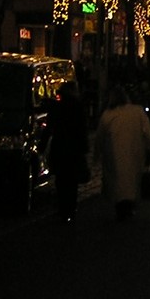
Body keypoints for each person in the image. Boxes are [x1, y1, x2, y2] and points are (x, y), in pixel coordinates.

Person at [94, 85, 150, 221]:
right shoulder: (137, 112)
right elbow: (148, 134)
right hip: (135, 152)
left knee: (118, 181)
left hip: (114, 153)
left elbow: (99, 137)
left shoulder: (108, 115)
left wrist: (97, 154)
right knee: (132, 180)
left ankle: (121, 206)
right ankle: (129, 205)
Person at [46, 80, 89, 221]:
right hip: (74, 147)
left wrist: (43, 144)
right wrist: (84, 147)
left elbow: (49, 127)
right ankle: (71, 207)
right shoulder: (77, 106)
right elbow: (82, 128)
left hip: (60, 145)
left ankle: (63, 208)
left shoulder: (57, 106)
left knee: (61, 179)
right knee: (72, 180)